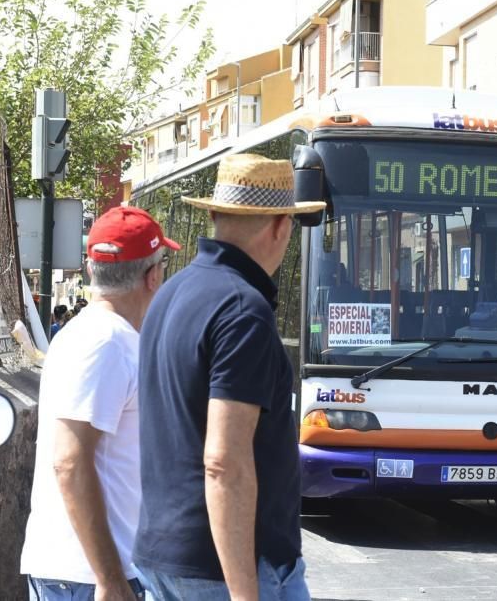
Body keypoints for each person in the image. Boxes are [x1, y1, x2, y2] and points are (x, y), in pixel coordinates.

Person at [134, 153, 325, 600]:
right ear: (280, 227)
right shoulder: (243, 310)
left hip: (163, 556)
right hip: (227, 570)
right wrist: (244, 592)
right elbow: (224, 463)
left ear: (216, 214)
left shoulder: (171, 293)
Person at [21, 206, 179, 600]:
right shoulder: (106, 344)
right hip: (87, 578)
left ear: (92, 271)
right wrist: (110, 578)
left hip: (87, 573)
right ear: (153, 275)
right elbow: (70, 461)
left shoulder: (93, 336)